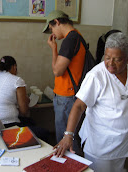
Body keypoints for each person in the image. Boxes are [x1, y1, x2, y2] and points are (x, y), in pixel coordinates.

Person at [53, 32, 128, 172]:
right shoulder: (96, 75)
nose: (111, 64)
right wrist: (68, 135)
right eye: (107, 57)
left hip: (124, 141)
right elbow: (79, 105)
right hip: (100, 145)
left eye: (117, 59)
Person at [42, 10, 86, 155]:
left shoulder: (70, 39)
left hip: (67, 96)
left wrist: (54, 49)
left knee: (66, 140)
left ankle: (72, 167)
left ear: (57, 22)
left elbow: (57, 71)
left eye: (51, 28)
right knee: (70, 138)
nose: (53, 33)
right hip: (68, 95)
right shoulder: (76, 36)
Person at [0, 56, 49, 141]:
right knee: (43, 132)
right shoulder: (17, 80)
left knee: (30, 121)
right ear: (14, 67)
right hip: (9, 124)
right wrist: (27, 102)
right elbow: (24, 111)